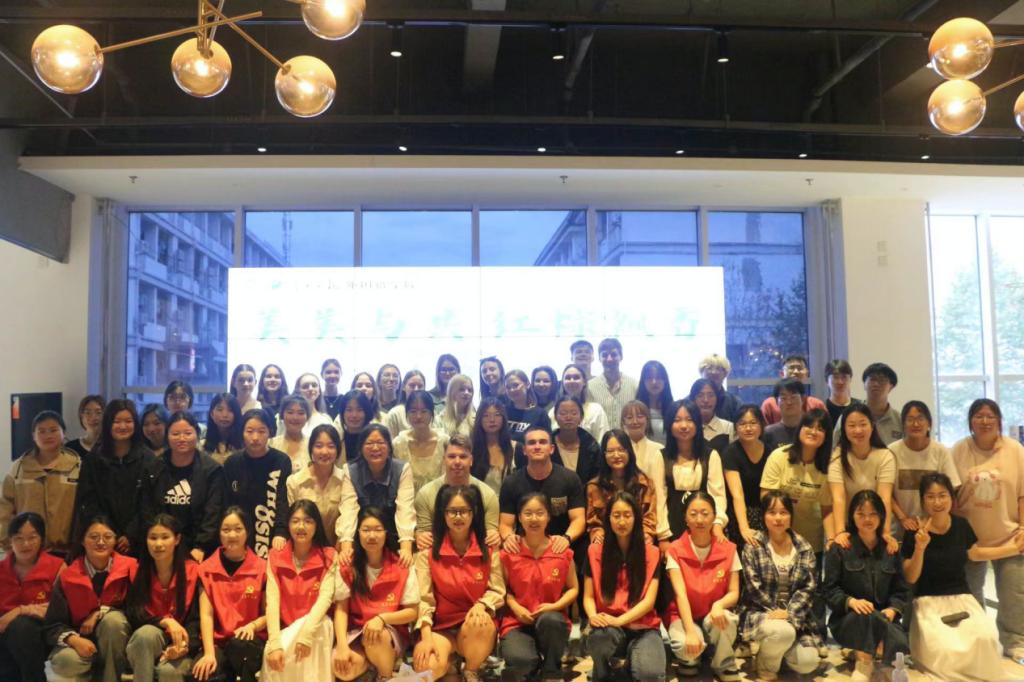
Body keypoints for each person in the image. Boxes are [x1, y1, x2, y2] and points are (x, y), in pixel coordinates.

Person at [901, 473, 1013, 680]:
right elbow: (910, 577)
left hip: (962, 598)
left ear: (952, 498)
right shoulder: (915, 530)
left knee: (985, 639)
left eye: (942, 495)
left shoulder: (962, 525)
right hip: (928, 602)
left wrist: (1014, 548)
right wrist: (920, 547)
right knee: (945, 649)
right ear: (922, 500)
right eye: (930, 497)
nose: (937, 502)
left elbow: (975, 553)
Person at [951, 398, 1024, 663]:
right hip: (970, 539)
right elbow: (951, 494)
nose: (984, 421)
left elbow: (1022, 494)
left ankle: (1015, 642)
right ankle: (978, 641)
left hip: (1009, 536)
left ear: (999, 420)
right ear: (970, 421)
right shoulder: (959, 450)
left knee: (1014, 594)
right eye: (979, 416)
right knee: (970, 594)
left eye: (990, 416)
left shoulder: (1015, 450)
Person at [412, 485, 505, 682]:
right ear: (443, 514)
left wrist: (482, 605)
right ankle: (450, 662)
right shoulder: (427, 552)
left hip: (474, 626)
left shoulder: (488, 549)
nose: (458, 517)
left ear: (473, 513)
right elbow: (423, 600)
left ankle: (471, 669)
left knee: (480, 622)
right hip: (440, 627)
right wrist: (426, 637)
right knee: (426, 670)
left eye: (464, 511)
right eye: (452, 511)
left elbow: (497, 591)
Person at [822, 490, 909, 681]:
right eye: (861, 514)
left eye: (873, 514)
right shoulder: (840, 548)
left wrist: (893, 610)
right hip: (849, 620)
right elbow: (828, 590)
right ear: (852, 516)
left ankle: (871, 655)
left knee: (900, 642)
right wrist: (851, 602)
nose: (867, 519)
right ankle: (864, 663)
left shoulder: (891, 549)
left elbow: (901, 590)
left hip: (882, 617)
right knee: (865, 616)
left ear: (881, 516)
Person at [44, 515, 137, 682]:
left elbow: (137, 611)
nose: (101, 542)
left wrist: (99, 612)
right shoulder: (68, 576)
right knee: (64, 661)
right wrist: (74, 640)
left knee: (113, 621)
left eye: (107, 537)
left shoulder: (131, 568)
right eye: (93, 537)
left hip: (118, 642)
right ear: (82, 540)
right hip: (82, 643)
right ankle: (93, 671)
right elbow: (52, 624)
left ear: (115, 540)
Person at [739, 491, 822, 680]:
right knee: (781, 632)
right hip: (761, 612)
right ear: (763, 516)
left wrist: (789, 613)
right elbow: (753, 588)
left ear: (791, 516)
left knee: (808, 662)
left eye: (783, 512)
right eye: (772, 512)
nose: (778, 518)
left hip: (794, 615)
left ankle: (777, 652)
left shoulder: (803, 547)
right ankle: (766, 666)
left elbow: (808, 588)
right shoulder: (753, 546)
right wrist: (776, 612)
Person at [583, 491, 664, 682]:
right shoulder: (594, 551)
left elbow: (649, 602)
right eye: (616, 515)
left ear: (636, 518)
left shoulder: (652, 553)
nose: (622, 521)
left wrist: (619, 621)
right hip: (608, 627)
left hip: (643, 627)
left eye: (627, 515)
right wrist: (593, 616)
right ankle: (602, 671)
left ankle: (626, 664)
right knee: (599, 638)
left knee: (650, 675)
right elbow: (588, 597)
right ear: (608, 519)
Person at [332, 507, 419, 681]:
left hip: (388, 632)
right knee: (342, 669)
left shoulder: (401, 564)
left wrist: (382, 619)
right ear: (358, 533)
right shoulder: (347, 565)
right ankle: (371, 667)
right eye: (366, 530)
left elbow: (412, 612)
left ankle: (384, 676)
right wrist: (342, 646)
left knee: (377, 636)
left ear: (386, 533)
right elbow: (341, 610)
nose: (372, 536)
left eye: (378, 530)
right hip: (357, 632)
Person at [499, 492, 579, 682]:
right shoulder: (508, 552)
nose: (534, 519)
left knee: (551, 620)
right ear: (519, 517)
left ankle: (552, 670)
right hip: (517, 622)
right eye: (528, 513)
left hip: (551, 621)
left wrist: (554, 606)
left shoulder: (562, 551)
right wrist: (516, 608)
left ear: (548, 516)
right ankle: (532, 664)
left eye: (540, 513)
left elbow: (573, 589)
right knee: (520, 661)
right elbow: (503, 591)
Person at [664, 492, 742, 681]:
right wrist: (690, 632)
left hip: (712, 616)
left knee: (726, 619)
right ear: (685, 518)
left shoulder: (729, 549)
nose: (699, 520)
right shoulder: (674, 549)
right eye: (693, 514)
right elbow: (680, 594)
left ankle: (723, 663)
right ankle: (692, 659)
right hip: (683, 616)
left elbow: (734, 592)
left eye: (705, 513)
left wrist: (719, 605)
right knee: (686, 646)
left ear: (714, 516)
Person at [261, 501, 336, 682]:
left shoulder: (329, 556)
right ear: (288, 525)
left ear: (317, 525)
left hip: (316, 626)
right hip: (286, 627)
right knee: (273, 652)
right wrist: (274, 643)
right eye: (295, 521)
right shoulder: (275, 556)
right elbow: (272, 601)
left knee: (321, 627)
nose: (301, 526)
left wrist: (306, 635)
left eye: (308, 521)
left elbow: (325, 599)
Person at [74, 399, 160, 556]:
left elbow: (150, 502)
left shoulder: (148, 458)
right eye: (116, 421)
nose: (123, 426)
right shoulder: (94, 458)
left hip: (139, 540)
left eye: (128, 421)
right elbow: (88, 500)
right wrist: (109, 531)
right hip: (102, 538)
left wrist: (131, 534)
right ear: (108, 424)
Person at [191, 507, 267, 682]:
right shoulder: (206, 569)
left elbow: (269, 614)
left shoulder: (262, 568)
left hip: (250, 642)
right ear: (219, 533)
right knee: (202, 673)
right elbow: (206, 615)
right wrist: (209, 653)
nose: (232, 535)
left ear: (248, 532)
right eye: (226, 530)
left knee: (239, 647)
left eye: (238, 529)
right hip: (219, 643)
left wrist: (252, 626)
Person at [124, 514, 201, 682]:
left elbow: (197, 620)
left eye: (165, 537)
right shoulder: (137, 571)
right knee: (145, 635)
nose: (158, 544)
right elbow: (134, 614)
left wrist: (184, 646)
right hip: (148, 642)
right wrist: (165, 621)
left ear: (177, 539)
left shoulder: (194, 572)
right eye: (153, 538)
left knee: (169, 672)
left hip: (185, 642)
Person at [499, 426, 586, 558]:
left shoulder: (570, 478)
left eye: (543, 442)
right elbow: (505, 524)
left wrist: (566, 538)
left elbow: (578, 519)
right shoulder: (511, 482)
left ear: (552, 449)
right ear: (524, 450)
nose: (537, 446)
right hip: (524, 550)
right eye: (532, 443)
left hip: (562, 549)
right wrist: (509, 537)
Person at [1, 411, 81, 553]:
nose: (48, 435)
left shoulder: (77, 467)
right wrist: (7, 544)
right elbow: (5, 510)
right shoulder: (19, 469)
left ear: (63, 433)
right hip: (27, 551)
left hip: (67, 551)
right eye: (41, 431)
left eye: (53, 430)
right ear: (33, 435)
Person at [0, 512, 65, 682]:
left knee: (21, 628)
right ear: (10, 540)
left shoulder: (57, 566)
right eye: (19, 538)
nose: (26, 544)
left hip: (42, 632)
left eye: (32, 537)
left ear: (42, 539)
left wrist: (20, 610)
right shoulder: (1, 569)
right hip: (4, 632)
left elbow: (60, 609)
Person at [338, 425, 415, 566]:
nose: (375, 448)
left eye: (380, 443)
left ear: (389, 447)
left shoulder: (402, 469)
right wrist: (346, 548)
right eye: (369, 443)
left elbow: (405, 509)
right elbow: (348, 510)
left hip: (393, 535)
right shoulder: (350, 470)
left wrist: (406, 548)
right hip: (362, 537)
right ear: (361, 448)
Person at [152, 412, 223, 562]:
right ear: (167, 436)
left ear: (197, 434)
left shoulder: (211, 470)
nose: (182, 438)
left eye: (188, 433)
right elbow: (148, 508)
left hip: (200, 548)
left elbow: (213, 512)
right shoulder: (155, 467)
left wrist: (201, 546)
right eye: (175, 434)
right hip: (160, 545)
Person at [828, 403, 898, 554]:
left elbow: (884, 497)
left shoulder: (885, 456)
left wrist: (885, 532)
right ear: (844, 429)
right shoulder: (837, 457)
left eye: (863, 424)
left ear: (872, 426)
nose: (858, 430)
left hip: (875, 525)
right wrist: (840, 532)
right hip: (848, 525)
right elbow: (838, 497)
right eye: (851, 425)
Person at [221, 409, 291, 559]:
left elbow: (282, 500)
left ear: (270, 432)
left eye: (261, 431)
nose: (255, 437)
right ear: (242, 432)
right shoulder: (232, 463)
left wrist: (280, 531)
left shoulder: (281, 461)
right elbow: (227, 502)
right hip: (239, 532)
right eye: (249, 431)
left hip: (269, 530)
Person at [888, 401, 960, 540]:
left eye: (921, 419)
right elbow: (886, 492)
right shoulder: (891, 451)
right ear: (903, 425)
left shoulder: (941, 451)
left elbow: (952, 490)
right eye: (910, 419)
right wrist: (903, 518)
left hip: (935, 528)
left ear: (929, 423)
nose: (916, 424)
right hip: (901, 528)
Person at [415, 434, 501, 551]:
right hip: (437, 553)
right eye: (451, 456)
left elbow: (490, 534)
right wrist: (420, 536)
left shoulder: (488, 495)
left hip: (476, 554)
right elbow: (424, 533)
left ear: (471, 460)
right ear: (444, 460)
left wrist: (493, 535)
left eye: (463, 456)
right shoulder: (425, 494)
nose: (457, 461)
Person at [661, 399, 728, 544]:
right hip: (672, 526)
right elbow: (660, 499)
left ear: (697, 423)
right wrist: (663, 536)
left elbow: (717, 495)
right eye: (677, 420)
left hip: (704, 524)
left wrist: (717, 524)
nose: (684, 425)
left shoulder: (711, 456)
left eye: (689, 420)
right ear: (669, 425)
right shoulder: (661, 457)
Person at [586, 430, 658, 544]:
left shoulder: (644, 483)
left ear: (629, 452)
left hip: (638, 539)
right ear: (604, 455)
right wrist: (597, 533)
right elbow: (593, 522)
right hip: (607, 541)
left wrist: (646, 534)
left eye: (621, 450)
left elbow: (650, 516)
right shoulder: (594, 486)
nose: (616, 455)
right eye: (610, 451)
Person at [286, 424, 346, 547]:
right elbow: (291, 521)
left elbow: (346, 518)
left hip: (336, 549)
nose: (324, 451)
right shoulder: (295, 482)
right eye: (319, 446)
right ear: (311, 449)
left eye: (331, 446)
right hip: (303, 548)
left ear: (338, 450)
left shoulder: (345, 480)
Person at [621, 401, 670, 547]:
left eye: (640, 416)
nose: (635, 421)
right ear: (623, 422)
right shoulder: (619, 450)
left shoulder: (659, 450)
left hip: (652, 515)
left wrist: (661, 532)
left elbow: (660, 491)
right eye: (629, 417)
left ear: (647, 420)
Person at [723, 404, 769, 548]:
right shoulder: (730, 453)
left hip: (766, 510)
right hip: (740, 514)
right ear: (736, 427)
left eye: (753, 423)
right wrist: (744, 528)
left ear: (761, 425)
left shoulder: (770, 450)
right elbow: (737, 494)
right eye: (742, 424)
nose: (748, 428)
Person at [392, 391, 450, 492]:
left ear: (432, 413)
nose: (418, 416)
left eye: (424, 411)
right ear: (407, 414)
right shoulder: (398, 444)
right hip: (406, 498)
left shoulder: (444, 442)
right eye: (413, 411)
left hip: (438, 497)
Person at [543, 396, 601, 486]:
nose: (568, 417)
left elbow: (597, 476)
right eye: (563, 413)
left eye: (574, 413)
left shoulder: (592, 446)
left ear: (581, 417)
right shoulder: (546, 445)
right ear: (555, 417)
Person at [470, 397, 521, 494]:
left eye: (497, 415)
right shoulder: (472, 449)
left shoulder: (516, 448)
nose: (492, 420)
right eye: (486, 415)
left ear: (503, 418)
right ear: (479, 419)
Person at [587, 338, 639, 430]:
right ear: (599, 358)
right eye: (604, 355)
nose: (609, 359)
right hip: (599, 439)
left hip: (628, 438)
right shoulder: (589, 387)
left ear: (621, 357)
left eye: (614, 355)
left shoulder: (635, 385)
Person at [759, 355, 826, 426]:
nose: (796, 371)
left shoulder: (816, 404)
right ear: (782, 374)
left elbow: (826, 429)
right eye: (791, 368)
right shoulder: (769, 405)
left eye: (800, 368)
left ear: (806, 373)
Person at [552, 363, 609, 442]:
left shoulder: (596, 410)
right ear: (562, 383)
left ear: (584, 382)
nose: (572, 381)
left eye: (576, 377)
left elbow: (603, 441)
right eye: (568, 378)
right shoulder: (553, 412)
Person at [859, 363, 902, 444]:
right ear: (864, 384)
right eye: (872, 379)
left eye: (882, 380)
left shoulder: (899, 420)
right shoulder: (849, 416)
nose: (876, 384)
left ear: (891, 387)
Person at [504, 370, 552, 444]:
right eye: (508, 387)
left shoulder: (540, 414)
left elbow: (546, 443)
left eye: (516, 385)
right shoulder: (503, 412)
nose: (512, 390)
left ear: (527, 384)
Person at [690, 378, 735, 455]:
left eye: (711, 395)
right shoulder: (688, 427)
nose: (706, 400)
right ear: (693, 399)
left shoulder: (728, 427)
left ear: (717, 399)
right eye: (700, 395)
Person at [268, 395, 311, 473]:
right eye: (290, 412)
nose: (295, 417)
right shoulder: (271, 444)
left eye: (301, 413)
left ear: (307, 416)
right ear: (282, 415)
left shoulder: (312, 444)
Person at [763, 379, 807, 453]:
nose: (789, 402)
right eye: (783, 398)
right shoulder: (768, 433)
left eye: (793, 397)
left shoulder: (810, 430)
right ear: (776, 402)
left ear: (803, 399)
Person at [636, 360, 674, 444]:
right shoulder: (636, 409)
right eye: (649, 378)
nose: (654, 382)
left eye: (658, 377)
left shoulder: (673, 409)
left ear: (665, 380)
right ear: (643, 381)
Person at [382, 369, 428, 438]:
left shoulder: (430, 413)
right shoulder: (395, 414)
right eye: (412, 386)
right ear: (403, 387)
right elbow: (389, 442)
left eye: (420, 386)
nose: (416, 389)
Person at [201, 392, 243, 465]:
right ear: (212, 414)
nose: (225, 415)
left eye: (230, 410)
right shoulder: (202, 446)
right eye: (220, 410)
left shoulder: (244, 444)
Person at [333, 390, 374, 464]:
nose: (354, 415)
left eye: (359, 410)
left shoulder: (374, 439)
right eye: (349, 410)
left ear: (366, 412)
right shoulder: (336, 440)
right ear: (342, 413)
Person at [699, 354, 742, 422]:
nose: (713, 372)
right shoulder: (690, 401)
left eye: (718, 368)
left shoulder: (734, 403)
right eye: (709, 368)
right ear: (701, 372)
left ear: (725, 374)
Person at [823, 360, 860, 427]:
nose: (840, 382)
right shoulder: (823, 408)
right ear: (827, 381)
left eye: (844, 377)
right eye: (835, 377)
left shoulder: (859, 406)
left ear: (850, 379)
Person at [437, 373, 476, 438]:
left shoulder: (476, 419)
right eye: (461, 389)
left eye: (470, 390)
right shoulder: (439, 419)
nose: (466, 393)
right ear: (452, 392)